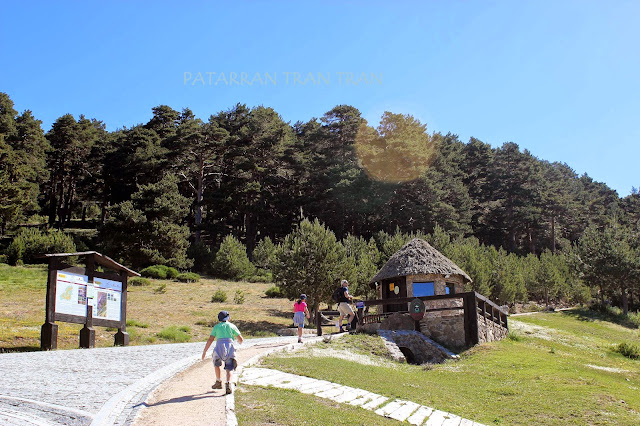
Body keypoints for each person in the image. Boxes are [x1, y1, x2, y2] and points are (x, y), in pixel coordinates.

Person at [202, 310, 244, 394]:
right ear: (228, 318)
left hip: (219, 347)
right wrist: (239, 342)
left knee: (216, 363)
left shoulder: (216, 327)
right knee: (229, 367)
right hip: (229, 347)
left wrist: (205, 351)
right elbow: (240, 338)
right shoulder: (232, 326)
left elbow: (211, 339)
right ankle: (228, 383)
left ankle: (218, 381)